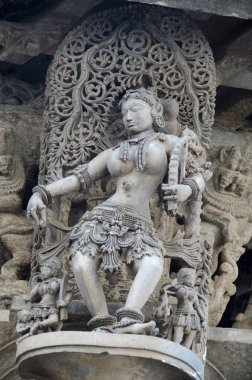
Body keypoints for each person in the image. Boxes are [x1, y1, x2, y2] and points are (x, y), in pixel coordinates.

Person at [27, 88, 205, 334]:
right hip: (101, 216)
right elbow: (80, 178)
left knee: (152, 264)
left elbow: (199, 176)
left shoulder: (169, 144)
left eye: (135, 110)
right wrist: (42, 193)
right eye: (124, 113)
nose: (128, 117)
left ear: (154, 112)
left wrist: (187, 189)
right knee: (81, 262)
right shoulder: (114, 151)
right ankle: (102, 322)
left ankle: (129, 319)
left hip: (138, 219)